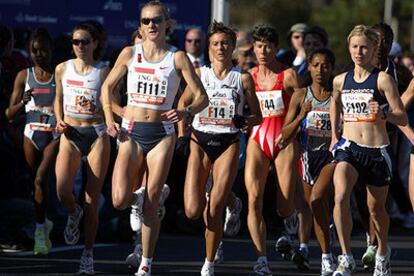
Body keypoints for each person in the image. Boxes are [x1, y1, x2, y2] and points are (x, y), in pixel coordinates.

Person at [101, 1, 208, 275]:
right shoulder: (128, 53)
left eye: (157, 20)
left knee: (151, 204)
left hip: (162, 135)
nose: (151, 25)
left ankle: (146, 262)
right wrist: (111, 117)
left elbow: (201, 98)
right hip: (130, 132)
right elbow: (106, 88)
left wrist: (184, 111)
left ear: (166, 25)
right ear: (140, 25)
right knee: (119, 200)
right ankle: (142, 200)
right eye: (146, 21)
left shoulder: (177, 57)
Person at [178, 21, 261, 276]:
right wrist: (182, 135)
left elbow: (257, 116)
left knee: (213, 207)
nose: (220, 48)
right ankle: (233, 202)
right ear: (209, 48)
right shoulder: (200, 74)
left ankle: (209, 261)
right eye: (215, 43)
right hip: (200, 140)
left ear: (233, 46)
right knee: (192, 210)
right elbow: (183, 104)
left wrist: (244, 121)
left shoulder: (243, 78)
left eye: (225, 43)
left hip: (228, 142)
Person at [330, 25, 407, 276]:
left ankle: (383, 250)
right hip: (349, 148)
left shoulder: (383, 79)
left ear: (374, 48)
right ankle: (345, 256)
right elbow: (334, 103)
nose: (359, 52)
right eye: (354, 47)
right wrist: (334, 135)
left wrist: (383, 112)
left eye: (364, 47)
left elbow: (402, 117)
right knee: (340, 196)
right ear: (349, 48)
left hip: (376, 151)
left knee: (376, 211)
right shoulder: (340, 80)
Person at [54, 22, 110, 274]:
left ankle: (88, 254)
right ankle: (72, 212)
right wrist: (59, 120)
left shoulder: (103, 70)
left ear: (95, 44)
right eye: (76, 42)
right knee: (63, 189)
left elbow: (112, 102)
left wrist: (111, 122)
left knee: (91, 199)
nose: (80, 46)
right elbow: (58, 98)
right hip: (70, 134)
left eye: (85, 41)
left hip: (96, 134)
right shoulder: (62, 68)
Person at [244, 25, 300, 275]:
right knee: (254, 199)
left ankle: (290, 220)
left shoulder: (287, 75)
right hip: (258, 139)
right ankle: (261, 260)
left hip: (284, 141)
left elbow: (301, 107)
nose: (263, 51)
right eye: (258, 46)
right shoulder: (248, 77)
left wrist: (291, 129)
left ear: (275, 48)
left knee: (284, 206)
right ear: (253, 48)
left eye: (267, 46)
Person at [282, 48, 336, 275]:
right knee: (316, 207)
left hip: (331, 156)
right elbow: (284, 134)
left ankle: (326, 257)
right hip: (307, 157)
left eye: (325, 65)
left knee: (317, 200)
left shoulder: (337, 95)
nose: (320, 70)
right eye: (315, 65)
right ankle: (327, 253)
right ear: (310, 67)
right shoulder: (300, 95)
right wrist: (301, 116)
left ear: (331, 68)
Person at [6, 28, 59, 255]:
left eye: (43, 50)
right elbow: (9, 113)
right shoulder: (23, 76)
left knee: (40, 178)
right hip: (31, 133)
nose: (38, 54)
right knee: (37, 183)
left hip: (53, 134)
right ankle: (43, 224)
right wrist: (22, 103)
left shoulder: (61, 75)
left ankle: (39, 230)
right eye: (34, 50)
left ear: (51, 50)